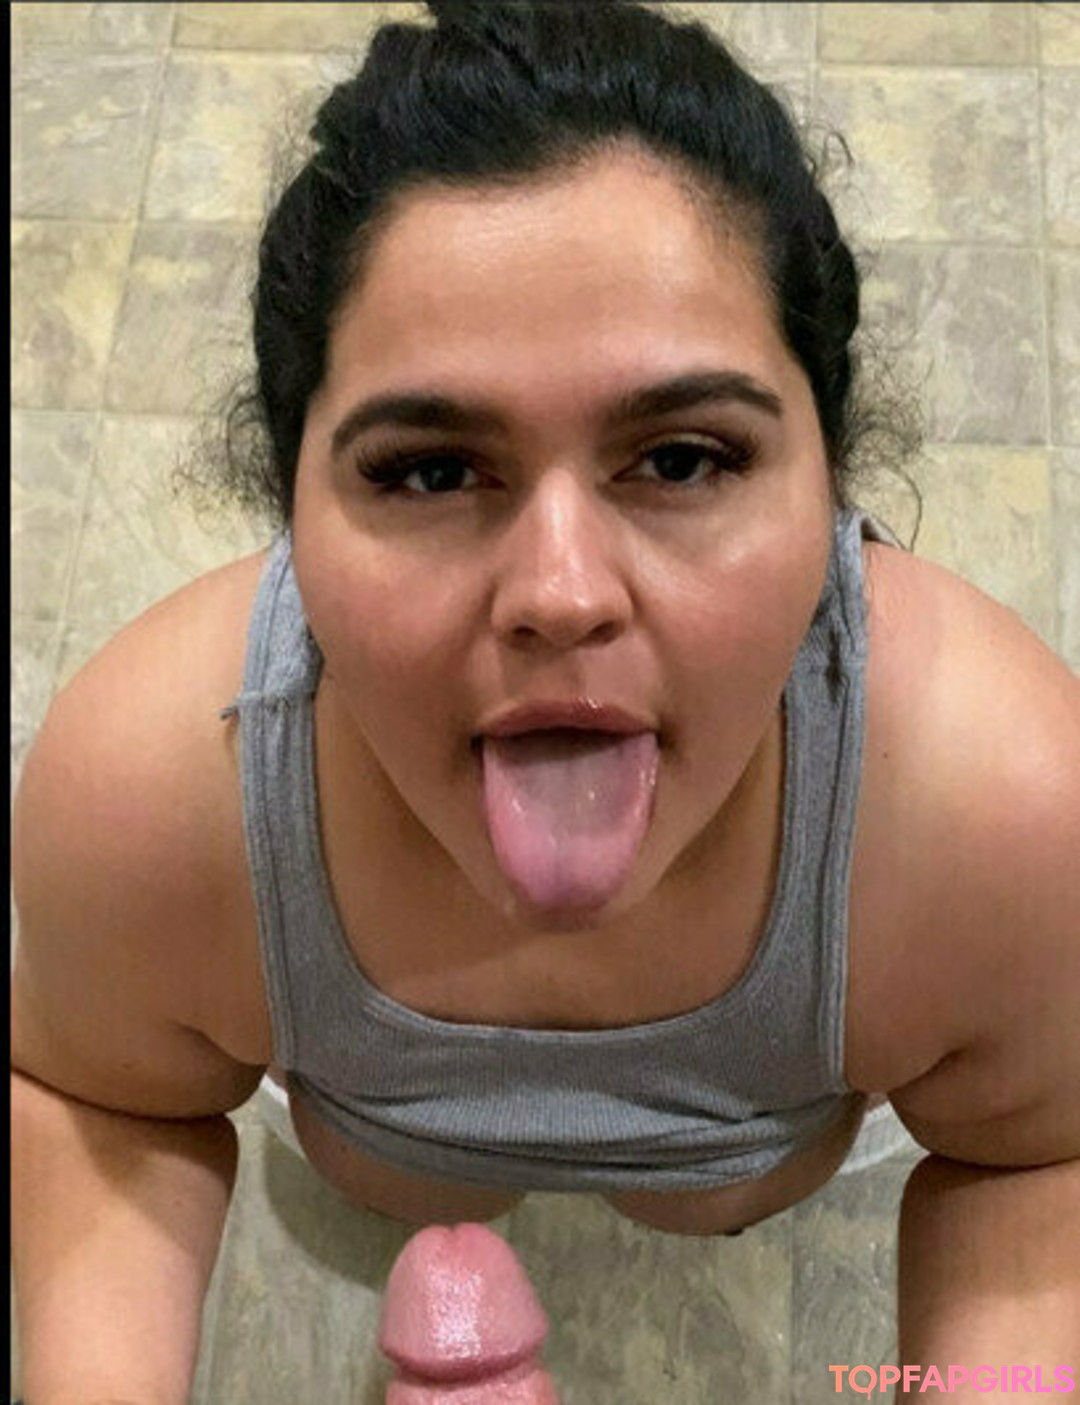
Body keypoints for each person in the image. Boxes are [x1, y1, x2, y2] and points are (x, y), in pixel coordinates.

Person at [11, 2, 1079, 1402]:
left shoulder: (1001, 810)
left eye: (683, 460)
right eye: (431, 471)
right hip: (387, 1173)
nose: (561, 592)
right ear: (291, 506)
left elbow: (1036, 1150)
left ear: (830, 478)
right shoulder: (145, 797)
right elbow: (102, 1093)